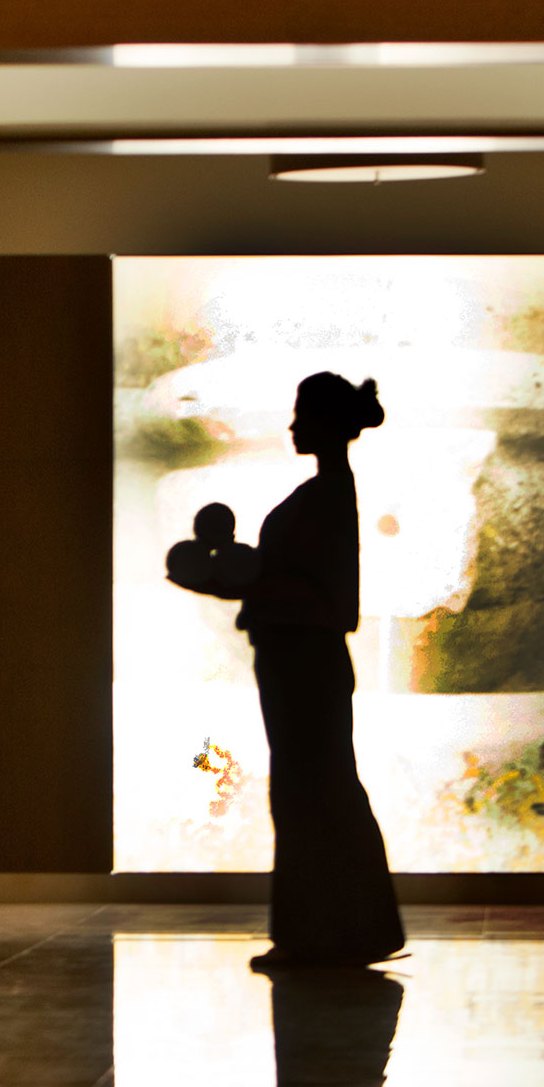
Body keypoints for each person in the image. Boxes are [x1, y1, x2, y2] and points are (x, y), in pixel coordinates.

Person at [164, 370, 408, 971]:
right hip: (298, 659)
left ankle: (325, 933)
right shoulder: (325, 493)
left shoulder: (324, 496)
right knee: (317, 788)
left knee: (311, 790)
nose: (293, 426)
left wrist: (237, 580)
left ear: (325, 424)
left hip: (303, 659)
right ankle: (340, 930)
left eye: (302, 414)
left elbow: (321, 595)